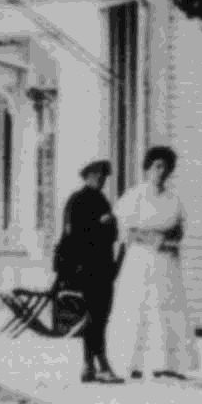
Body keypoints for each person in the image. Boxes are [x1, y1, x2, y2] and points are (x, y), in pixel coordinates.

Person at [105, 144, 196, 379]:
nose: (161, 172)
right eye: (157, 167)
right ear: (148, 168)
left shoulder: (172, 199)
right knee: (140, 308)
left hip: (166, 261)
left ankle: (167, 364)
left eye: (166, 168)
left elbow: (179, 229)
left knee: (166, 309)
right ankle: (133, 363)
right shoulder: (135, 196)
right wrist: (151, 239)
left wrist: (169, 239)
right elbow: (127, 229)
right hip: (141, 259)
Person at [51, 159, 123, 381]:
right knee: (95, 316)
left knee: (99, 316)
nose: (101, 179)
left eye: (103, 176)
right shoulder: (78, 200)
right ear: (87, 176)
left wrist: (109, 224)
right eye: (97, 175)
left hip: (103, 266)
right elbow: (74, 235)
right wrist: (101, 224)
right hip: (87, 267)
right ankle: (98, 364)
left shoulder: (101, 200)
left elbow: (113, 235)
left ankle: (90, 365)